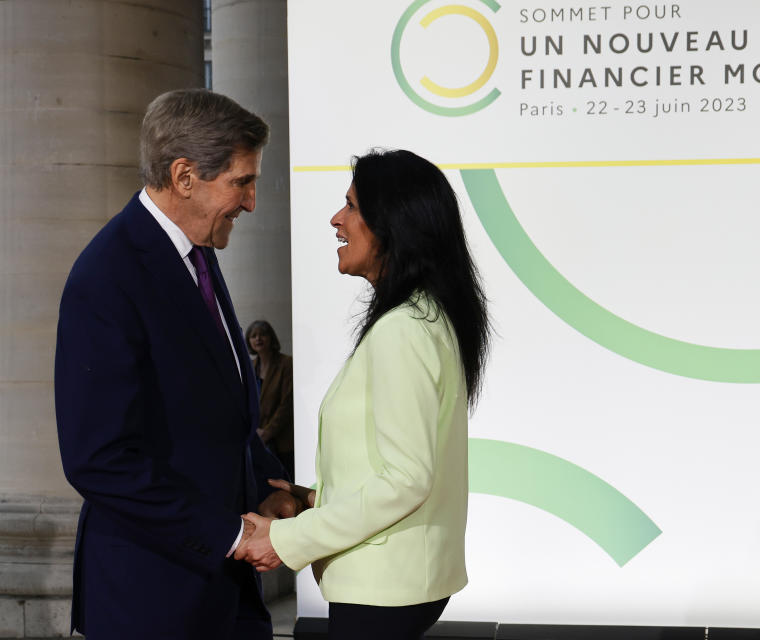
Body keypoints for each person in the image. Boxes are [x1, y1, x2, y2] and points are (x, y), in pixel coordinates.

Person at [55, 88, 301, 640]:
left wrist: (275, 486)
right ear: (185, 176)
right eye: (242, 182)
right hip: (152, 600)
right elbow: (99, 459)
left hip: (222, 592)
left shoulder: (198, 253)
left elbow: (218, 413)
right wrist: (233, 535)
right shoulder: (107, 276)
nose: (252, 202)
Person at [236, 149, 491, 639]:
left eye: (351, 205)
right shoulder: (426, 317)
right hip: (399, 581)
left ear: (393, 224)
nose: (337, 219)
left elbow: (407, 479)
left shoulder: (404, 330)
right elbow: (404, 466)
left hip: (383, 588)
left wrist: (288, 539)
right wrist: (319, 498)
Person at [246, 319, 295, 476]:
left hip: (281, 440)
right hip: (258, 439)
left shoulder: (286, 363)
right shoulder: (250, 365)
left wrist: (267, 433)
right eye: (253, 336)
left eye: (262, 334)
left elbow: (287, 404)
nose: (258, 338)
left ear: (271, 338)